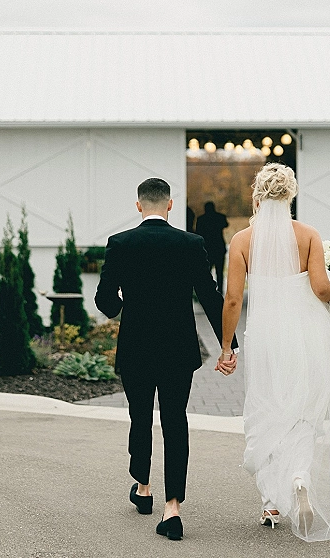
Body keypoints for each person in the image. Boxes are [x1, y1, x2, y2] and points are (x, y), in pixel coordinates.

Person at [216, 164, 330, 552]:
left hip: (266, 339)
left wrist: (225, 346)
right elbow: (320, 288)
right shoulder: (308, 235)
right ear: (290, 197)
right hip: (306, 337)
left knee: (266, 409)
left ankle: (271, 503)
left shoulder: (242, 241)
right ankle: (299, 478)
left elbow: (233, 299)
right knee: (302, 412)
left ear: (257, 197)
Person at [95, 177, 237, 542]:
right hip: (178, 347)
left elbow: (105, 302)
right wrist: (227, 344)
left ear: (139, 205)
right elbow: (210, 294)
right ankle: (172, 508)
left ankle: (143, 487)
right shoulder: (190, 243)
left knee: (139, 415)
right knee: (175, 420)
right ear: (170, 205)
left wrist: (127, 302)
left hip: (136, 346)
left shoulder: (120, 243)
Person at [195, 201, 229, 292]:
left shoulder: (201, 219)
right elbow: (226, 224)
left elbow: (197, 232)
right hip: (218, 247)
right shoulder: (220, 217)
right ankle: (220, 290)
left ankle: (208, 290)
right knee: (219, 272)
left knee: (206, 271)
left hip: (207, 248)